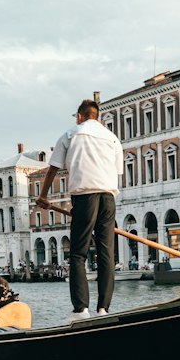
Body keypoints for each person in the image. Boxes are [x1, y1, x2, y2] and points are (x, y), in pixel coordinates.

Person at [35, 98, 123, 321]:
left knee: (77, 254)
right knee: (106, 254)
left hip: (84, 196)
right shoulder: (113, 138)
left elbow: (53, 169)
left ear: (80, 116)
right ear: (97, 116)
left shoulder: (71, 134)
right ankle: (104, 308)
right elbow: (116, 172)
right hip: (109, 197)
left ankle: (81, 309)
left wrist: (43, 196)